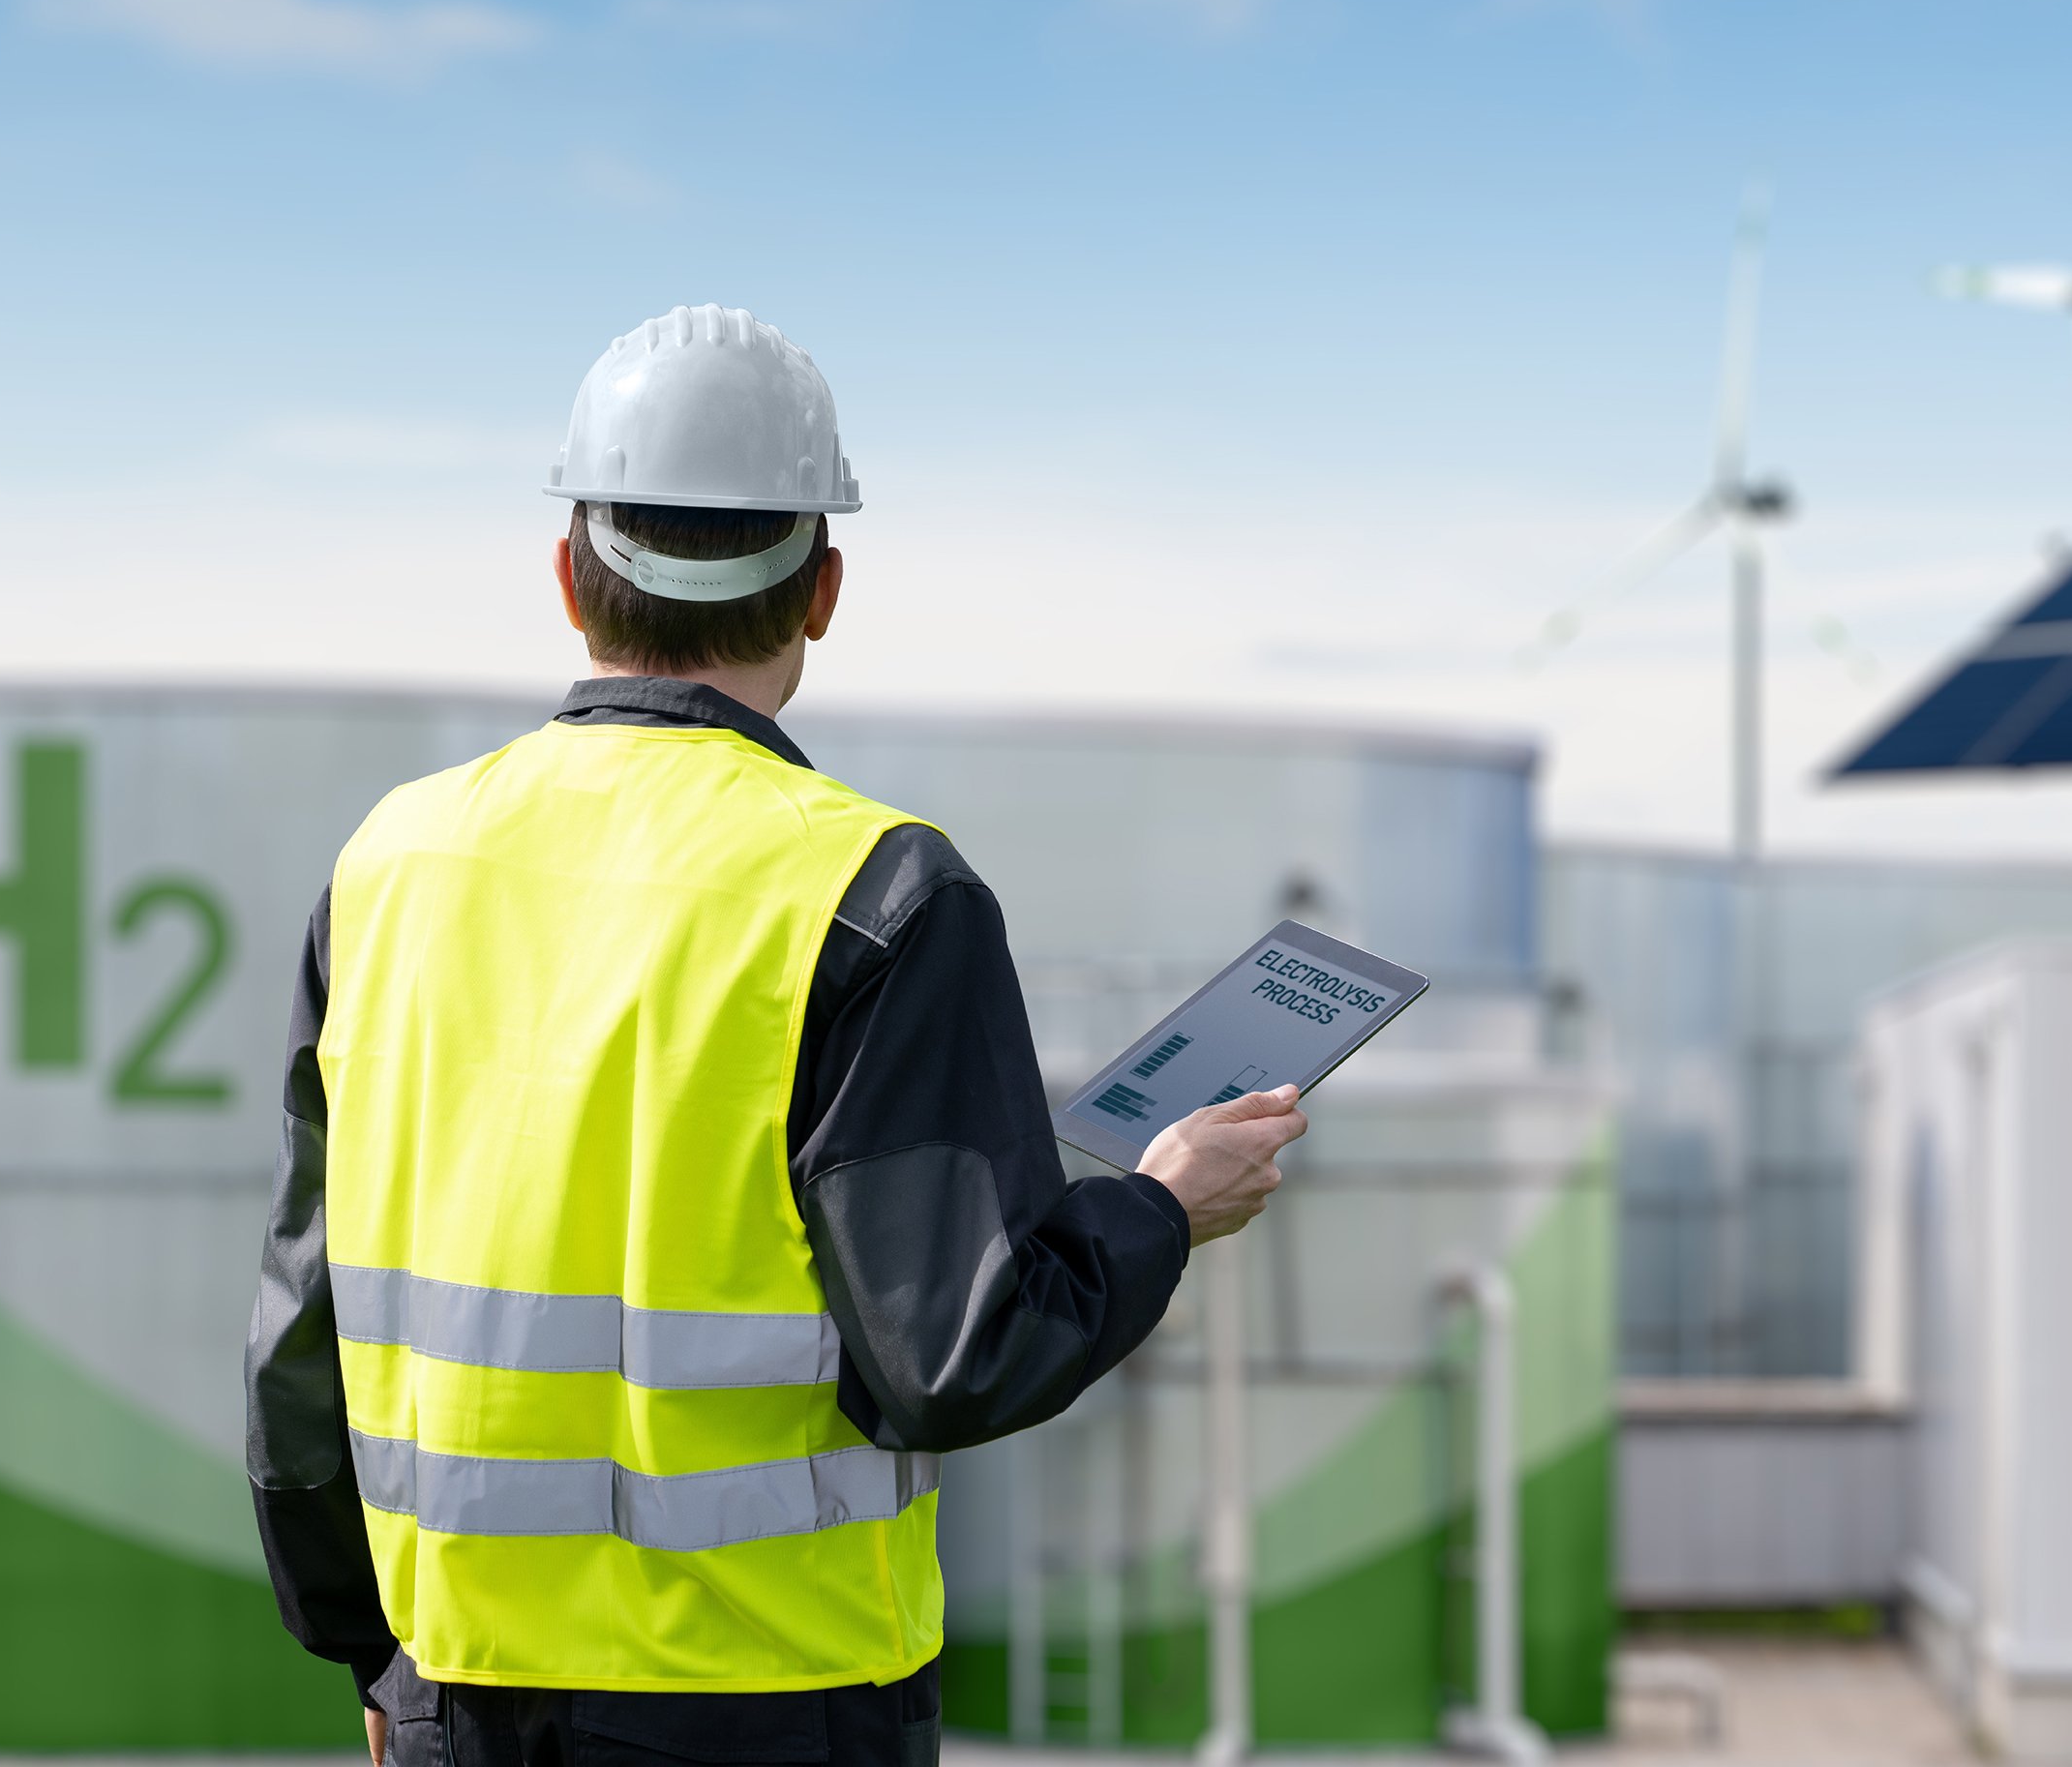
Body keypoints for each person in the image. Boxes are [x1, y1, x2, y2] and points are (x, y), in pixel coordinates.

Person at [244, 305, 1313, 1767]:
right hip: (772, 1709)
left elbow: (301, 1330)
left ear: (569, 575)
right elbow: (957, 1356)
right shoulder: (878, 896)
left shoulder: (388, 865)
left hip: (453, 1696)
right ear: (823, 591)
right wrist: (1162, 1210)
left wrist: (369, 1652)